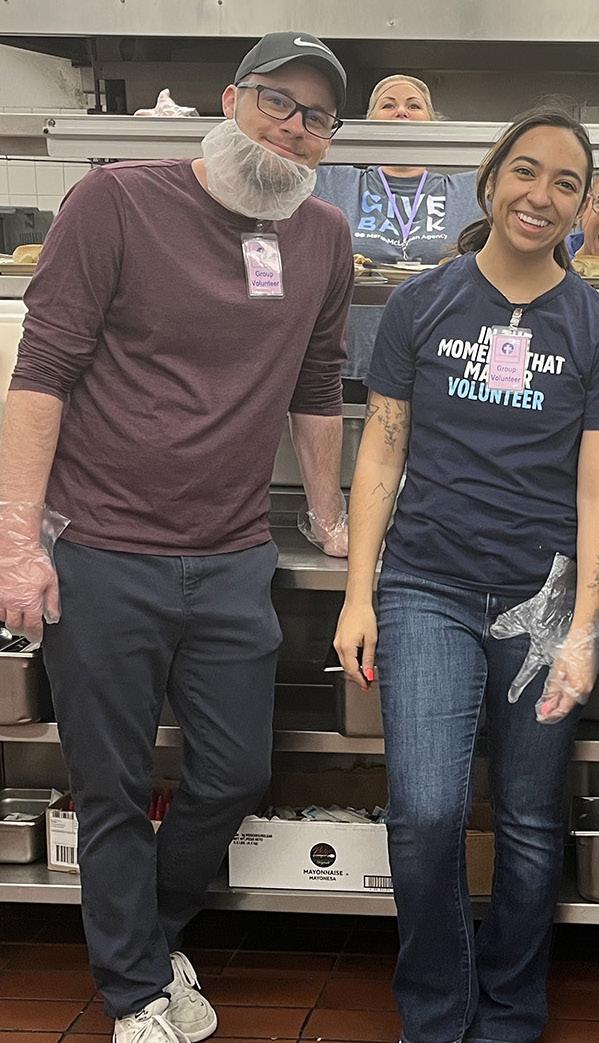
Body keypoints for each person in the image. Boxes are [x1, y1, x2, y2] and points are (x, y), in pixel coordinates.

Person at [0, 30, 353, 1043]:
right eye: (277, 100)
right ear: (231, 100)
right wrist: (18, 542)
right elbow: (42, 373)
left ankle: (148, 940)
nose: (294, 126)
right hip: (104, 551)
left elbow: (317, 383)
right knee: (109, 787)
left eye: (317, 116)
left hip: (234, 553)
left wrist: (327, 514)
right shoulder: (114, 200)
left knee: (237, 770)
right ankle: (135, 995)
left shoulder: (323, 236)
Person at [332, 106, 599, 1043]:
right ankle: (436, 1011)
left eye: (567, 183)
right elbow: (382, 450)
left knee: (531, 818)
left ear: (581, 206)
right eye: (526, 171)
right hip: (427, 585)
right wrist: (358, 593)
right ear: (491, 179)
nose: (542, 195)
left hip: (546, 601)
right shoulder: (421, 303)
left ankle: (509, 1010)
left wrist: (585, 626)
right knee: (425, 811)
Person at [312, 75, 483, 378]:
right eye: (388, 105)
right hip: (347, 363)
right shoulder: (337, 181)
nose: (401, 111)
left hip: (436, 362)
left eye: (414, 106)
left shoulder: (466, 190)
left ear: (433, 125)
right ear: (369, 125)